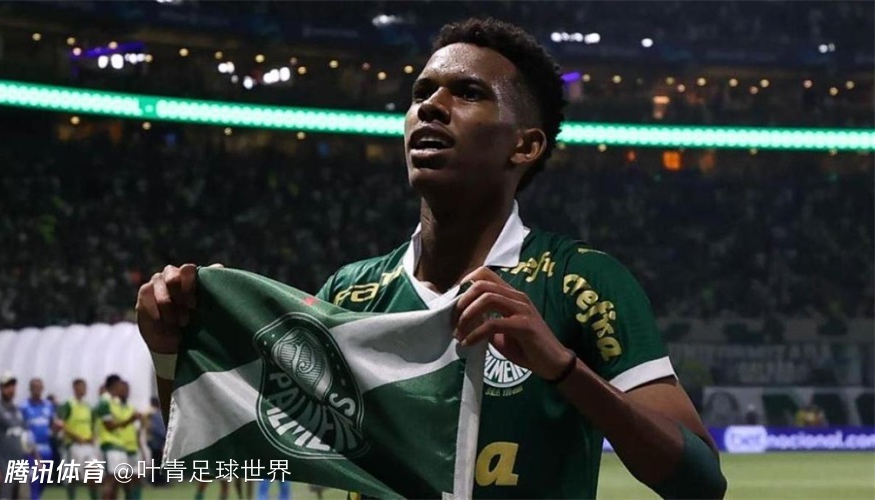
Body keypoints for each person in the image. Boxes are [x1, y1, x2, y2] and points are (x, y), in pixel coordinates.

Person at [135, 18, 727, 499]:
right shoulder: (350, 293)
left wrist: (562, 368)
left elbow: (700, 482)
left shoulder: (581, 281)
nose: (431, 106)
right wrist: (169, 351)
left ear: (525, 145)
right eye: (421, 93)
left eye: (467, 93)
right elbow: (241, 439)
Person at [93, 376, 140, 500]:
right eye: (120, 386)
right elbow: (109, 426)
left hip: (119, 446)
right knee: (110, 481)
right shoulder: (104, 401)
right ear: (114, 385)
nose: (122, 389)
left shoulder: (115, 402)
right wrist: (130, 420)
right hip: (108, 445)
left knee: (117, 483)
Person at [0, 372, 31, 500]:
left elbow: (25, 437)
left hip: (19, 465)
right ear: (1, 388)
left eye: (13, 386)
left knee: (23, 497)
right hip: (3, 465)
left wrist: (36, 457)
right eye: (7, 386)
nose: (10, 389)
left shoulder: (17, 411)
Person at [56, 379, 100, 500]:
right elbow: (60, 423)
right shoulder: (68, 405)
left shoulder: (88, 406)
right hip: (73, 445)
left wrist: (93, 436)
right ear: (74, 388)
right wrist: (74, 436)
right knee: (72, 476)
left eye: (84, 387)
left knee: (94, 474)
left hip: (88, 445)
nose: (83, 389)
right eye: (80, 387)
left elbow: (93, 424)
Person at [20, 378, 55, 500]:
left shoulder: (49, 405)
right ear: (30, 389)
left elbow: (52, 423)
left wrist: (56, 427)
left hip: (46, 449)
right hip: (31, 450)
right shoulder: (23, 407)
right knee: (34, 479)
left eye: (39, 388)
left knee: (44, 479)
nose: (37, 390)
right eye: (34, 388)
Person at [145, 398, 167, 487]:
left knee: (156, 461)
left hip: (153, 442)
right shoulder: (156, 414)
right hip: (157, 442)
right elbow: (159, 429)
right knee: (159, 462)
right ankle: (159, 481)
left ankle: (156, 480)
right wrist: (165, 438)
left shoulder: (150, 414)